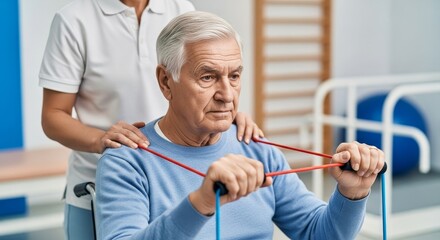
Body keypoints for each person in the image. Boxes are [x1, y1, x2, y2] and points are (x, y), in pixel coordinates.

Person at [95, 10, 386, 240]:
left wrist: (352, 194)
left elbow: (319, 234)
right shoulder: (126, 160)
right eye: (207, 77)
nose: (226, 95)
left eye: (234, 76)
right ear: (165, 82)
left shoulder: (256, 147)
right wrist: (201, 203)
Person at [39, 1, 263, 239]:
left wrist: (223, 113)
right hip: (104, 183)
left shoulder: (180, 9)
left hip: (175, 182)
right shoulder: (74, 20)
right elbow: (53, 116)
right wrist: (101, 140)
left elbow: (203, 80)